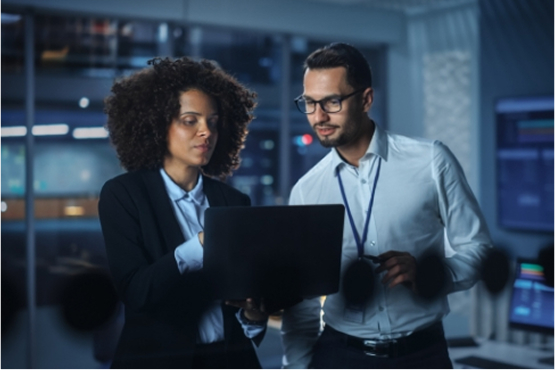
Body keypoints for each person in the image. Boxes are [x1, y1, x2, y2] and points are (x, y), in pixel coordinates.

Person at [281, 43, 493, 369]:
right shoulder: (307, 190)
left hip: (422, 355)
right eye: (309, 103)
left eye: (332, 102)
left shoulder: (432, 161)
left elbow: (479, 250)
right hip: (338, 356)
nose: (318, 117)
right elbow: (303, 303)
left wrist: (432, 273)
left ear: (366, 99)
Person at [99, 57, 267, 369]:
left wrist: (255, 317)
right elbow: (136, 292)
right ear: (158, 125)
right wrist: (200, 247)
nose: (206, 132)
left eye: (213, 122)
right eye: (190, 120)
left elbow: (241, 307)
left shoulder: (234, 201)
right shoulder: (124, 195)